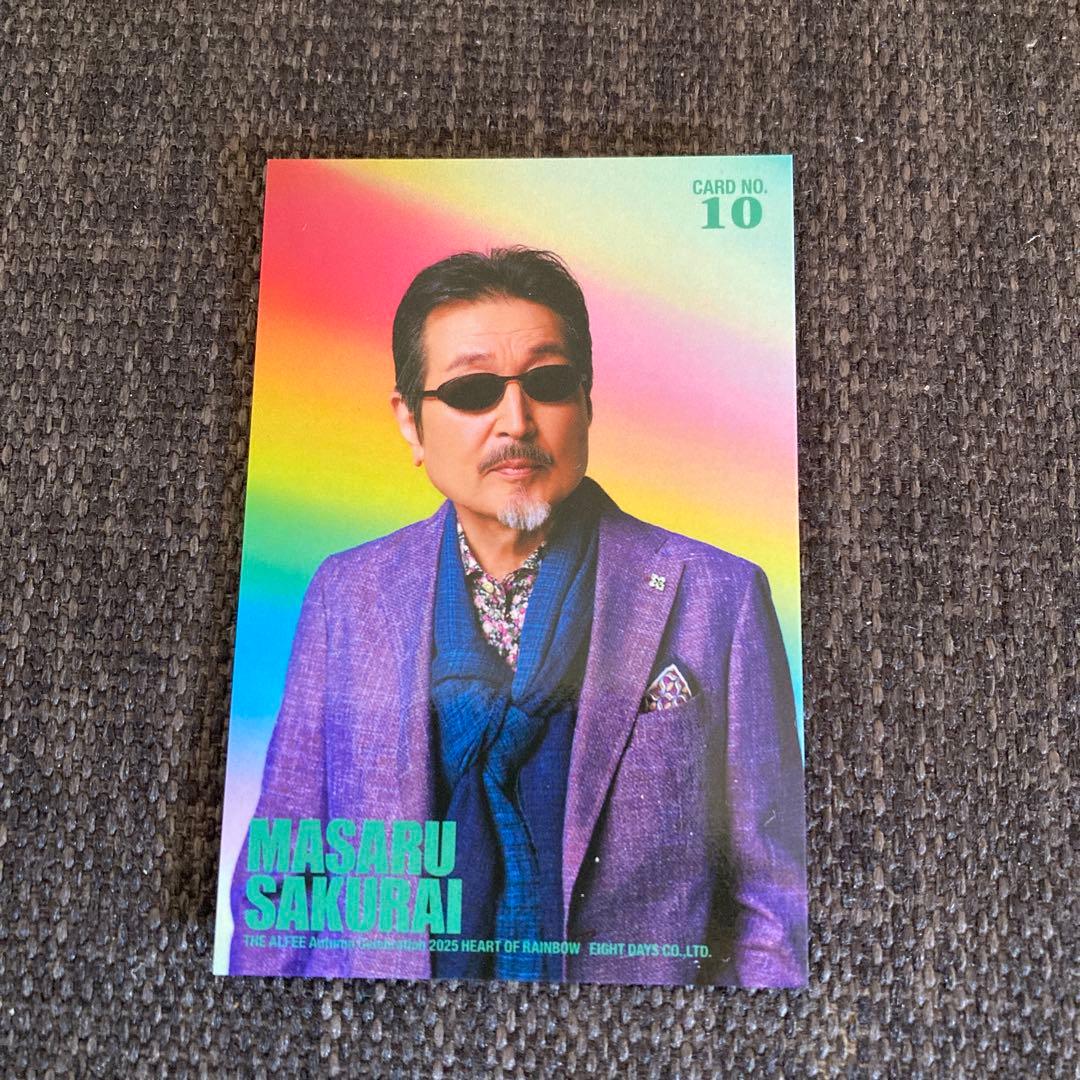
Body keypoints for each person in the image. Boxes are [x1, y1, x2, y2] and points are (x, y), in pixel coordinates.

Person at [229, 247, 807, 986]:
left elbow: (774, 903)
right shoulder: (348, 594)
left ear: (587, 403)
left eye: (549, 382)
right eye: (472, 390)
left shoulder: (718, 597)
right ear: (410, 423)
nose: (516, 420)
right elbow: (281, 880)